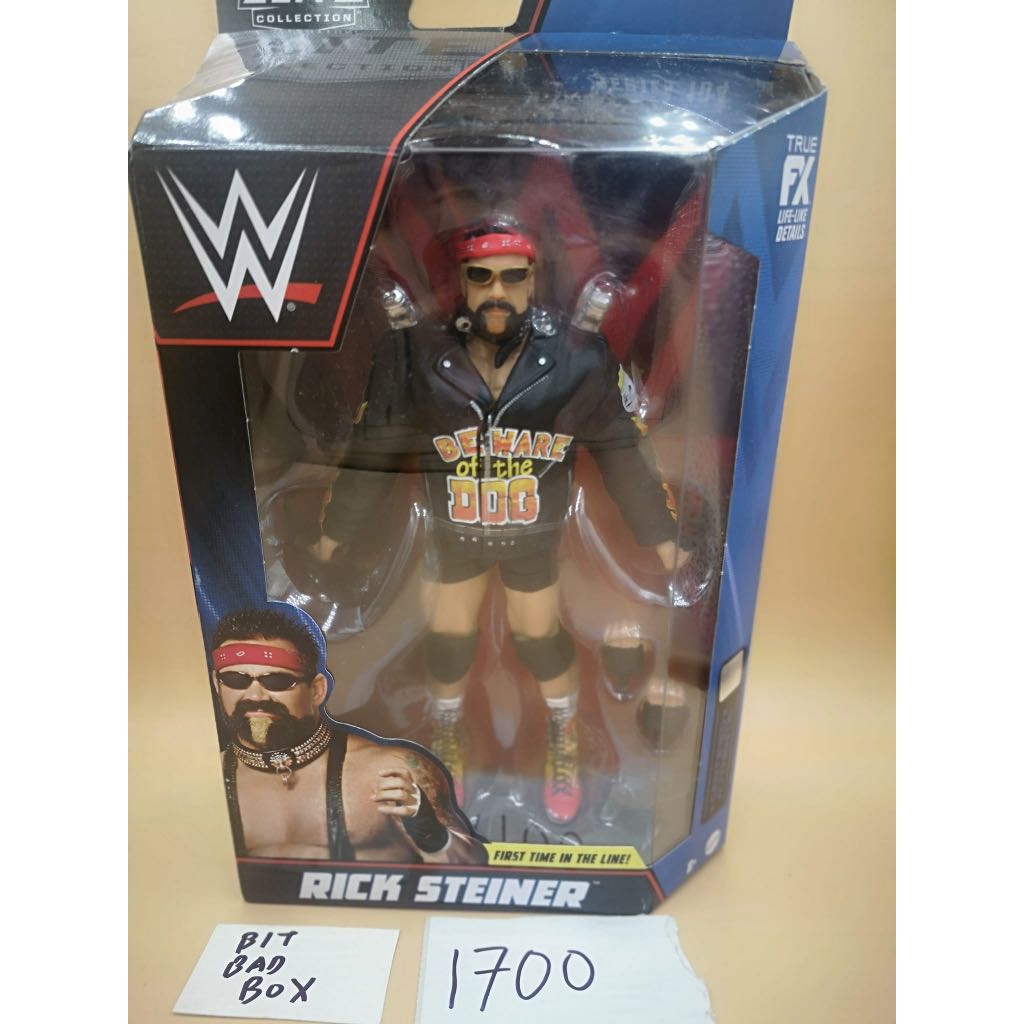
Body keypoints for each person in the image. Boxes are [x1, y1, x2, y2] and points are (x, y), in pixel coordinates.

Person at [310, 222, 689, 824]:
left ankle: (563, 729)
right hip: (453, 536)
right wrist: (337, 532)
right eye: (481, 276)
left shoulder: (575, 357)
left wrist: (661, 536)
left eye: (513, 277)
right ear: (461, 281)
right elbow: (372, 451)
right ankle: (449, 730)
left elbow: (621, 451)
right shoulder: (414, 355)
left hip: (532, 540)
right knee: (449, 639)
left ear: (533, 281)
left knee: (539, 638)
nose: (497, 291)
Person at [211, 607, 486, 864]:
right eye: (235, 680)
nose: (255, 695)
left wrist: (431, 834)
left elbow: (475, 865)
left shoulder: (391, 772)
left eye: (277, 681)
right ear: (216, 683)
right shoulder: (206, 783)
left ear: (317, 690)